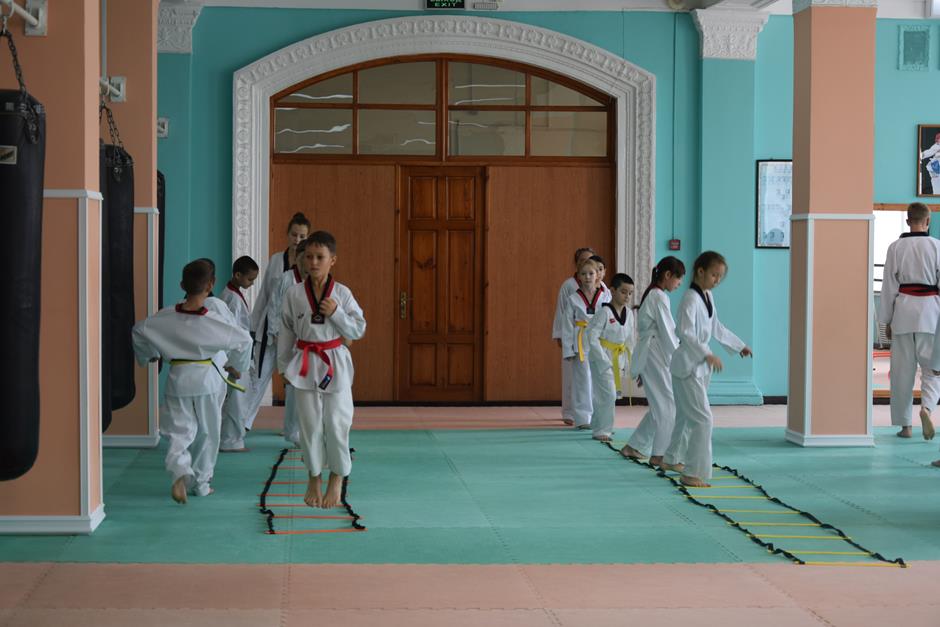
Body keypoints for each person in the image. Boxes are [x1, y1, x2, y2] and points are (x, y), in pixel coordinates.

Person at [132, 260, 252, 503]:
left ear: (182, 285)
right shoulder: (214, 320)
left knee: (179, 430)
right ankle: (202, 484)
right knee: (208, 432)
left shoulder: (165, 316)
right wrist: (236, 366)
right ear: (211, 284)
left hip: (178, 378)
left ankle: (179, 472)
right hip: (207, 381)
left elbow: (138, 330)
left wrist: (149, 354)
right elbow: (245, 341)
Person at [278, 231, 366, 509]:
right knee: (309, 424)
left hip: (334, 361)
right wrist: (283, 367)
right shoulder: (293, 294)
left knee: (338, 422)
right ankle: (314, 476)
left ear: (332, 260)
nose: (313, 262)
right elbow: (285, 331)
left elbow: (358, 329)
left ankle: (337, 476)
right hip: (305, 362)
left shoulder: (342, 294)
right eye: (309, 257)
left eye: (320, 257)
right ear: (302, 259)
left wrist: (336, 313)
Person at [660, 252, 752, 487]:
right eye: (714, 275)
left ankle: (672, 458)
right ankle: (692, 472)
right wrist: (706, 353)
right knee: (703, 419)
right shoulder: (690, 299)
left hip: (699, 365)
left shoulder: (707, 296)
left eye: (720, 276)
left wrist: (739, 345)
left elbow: (716, 327)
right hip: (688, 364)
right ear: (700, 271)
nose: (717, 280)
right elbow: (685, 332)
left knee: (685, 416)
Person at [244, 212, 311, 431]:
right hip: (269, 331)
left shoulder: (311, 267)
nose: (297, 239)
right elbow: (265, 295)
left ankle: (292, 429)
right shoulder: (276, 260)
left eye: (302, 236)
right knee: (258, 376)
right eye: (294, 234)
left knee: (293, 383)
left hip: (295, 334)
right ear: (287, 234)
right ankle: (242, 424)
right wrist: (253, 326)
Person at [879, 202, 940, 440]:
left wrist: (887, 320)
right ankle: (927, 409)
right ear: (928, 221)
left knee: (901, 373)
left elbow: (888, 287)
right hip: (931, 315)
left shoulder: (895, 247)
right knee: (932, 370)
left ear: (908, 221)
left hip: (903, 313)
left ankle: (905, 426)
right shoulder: (937, 246)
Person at [621, 256, 685, 465]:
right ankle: (660, 455)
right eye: (678, 279)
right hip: (655, 352)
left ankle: (635, 446)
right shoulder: (658, 296)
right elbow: (667, 332)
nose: (679, 284)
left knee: (661, 403)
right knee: (667, 404)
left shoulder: (655, 294)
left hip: (653, 352)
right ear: (667, 275)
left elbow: (667, 332)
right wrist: (682, 357)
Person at [561, 257, 610, 430]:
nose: (587, 277)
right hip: (580, 341)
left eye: (591, 273)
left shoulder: (605, 296)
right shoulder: (573, 298)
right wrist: (568, 350)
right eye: (583, 274)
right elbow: (567, 326)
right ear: (579, 277)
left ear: (598, 275)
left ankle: (599, 416)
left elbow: (610, 319)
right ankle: (582, 418)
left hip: (599, 341)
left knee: (599, 379)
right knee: (581, 380)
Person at [269, 237, 310, 446]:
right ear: (297, 258)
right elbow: (274, 308)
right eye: (304, 257)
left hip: (310, 340)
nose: (308, 262)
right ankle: (292, 430)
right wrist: (276, 334)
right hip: (289, 338)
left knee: (307, 386)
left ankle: (303, 428)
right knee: (294, 384)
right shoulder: (286, 279)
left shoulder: (315, 281)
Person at [587, 273, 635, 442]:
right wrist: (602, 359)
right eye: (623, 292)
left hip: (618, 357)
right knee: (608, 394)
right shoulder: (604, 313)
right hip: (601, 357)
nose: (627, 296)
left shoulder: (629, 314)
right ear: (613, 291)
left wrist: (631, 362)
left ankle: (596, 423)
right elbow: (591, 336)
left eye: (630, 293)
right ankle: (602, 430)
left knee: (606, 393)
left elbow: (629, 340)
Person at [218, 256, 259, 452]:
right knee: (237, 400)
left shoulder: (231, 293)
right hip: (235, 356)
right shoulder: (232, 298)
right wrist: (230, 363)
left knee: (236, 398)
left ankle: (229, 438)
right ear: (237, 275)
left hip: (239, 353)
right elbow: (229, 332)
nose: (252, 283)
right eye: (250, 279)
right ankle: (231, 441)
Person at [552, 247, 596, 425]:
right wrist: (560, 335)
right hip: (574, 335)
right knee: (571, 376)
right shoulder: (569, 285)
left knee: (590, 377)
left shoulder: (600, 287)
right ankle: (569, 412)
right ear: (576, 264)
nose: (586, 263)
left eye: (590, 260)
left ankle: (591, 413)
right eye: (582, 260)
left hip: (593, 338)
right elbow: (561, 311)